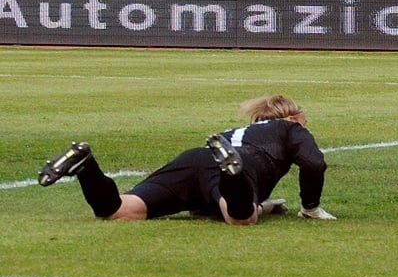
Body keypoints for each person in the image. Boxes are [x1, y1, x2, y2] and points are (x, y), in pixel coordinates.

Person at [37, 95, 335, 224]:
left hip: (195, 159)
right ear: (294, 117)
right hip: (242, 166)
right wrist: (310, 207)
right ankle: (232, 174)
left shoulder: (235, 132)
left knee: (119, 211)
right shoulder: (290, 128)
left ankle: (87, 166)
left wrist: (269, 205)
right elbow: (313, 163)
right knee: (241, 217)